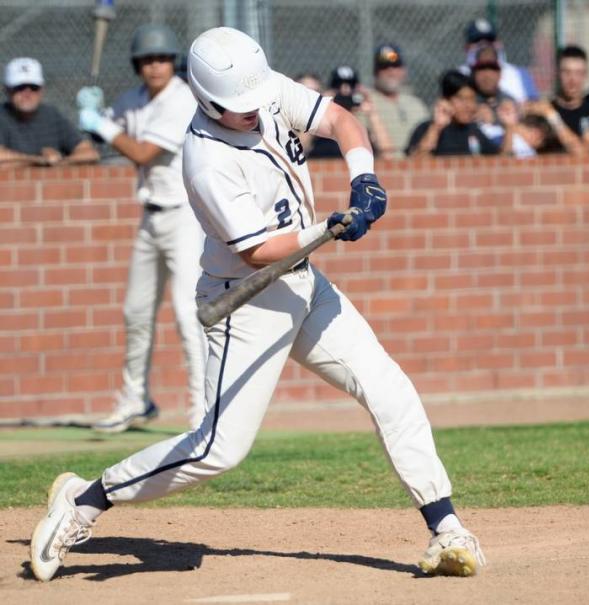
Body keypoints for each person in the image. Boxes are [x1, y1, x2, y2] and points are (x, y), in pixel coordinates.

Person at [29, 27, 485, 583]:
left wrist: (363, 176)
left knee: (389, 388)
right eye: (235, 108)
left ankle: (447, 529)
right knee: (217, 450)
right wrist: (325, 228)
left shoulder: (259, 86)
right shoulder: (205, 159)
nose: (251, 113)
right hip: (245, 302)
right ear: (204, 97)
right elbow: (256, 252)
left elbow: (341, 120)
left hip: (303, 284)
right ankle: (84, 501)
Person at [77, 24, 207, 432]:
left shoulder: (182, 98)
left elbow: (143, 153)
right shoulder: (133, 99)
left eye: (163, 58)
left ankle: (203, 409)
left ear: (173, 62)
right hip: (150, 216)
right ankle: (135, 399)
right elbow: (96, 140)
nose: (156, 66)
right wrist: (90, 117)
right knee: (135, 311)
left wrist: (103, 126)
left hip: (185, 216)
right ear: (138, 64)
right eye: (149, 60)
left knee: (189, 314)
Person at [0, 57, 99, 167]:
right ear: (7, 90)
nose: (27, 93)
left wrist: (60, 162)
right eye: (19, 87)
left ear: (42, 89)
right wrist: (39, 160)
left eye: (34, 87)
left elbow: (90, 154)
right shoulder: (2, 115)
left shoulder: (51, 115)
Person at [405, 70, 500, 157]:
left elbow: (501, 162)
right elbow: (415, 165)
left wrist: (509, 128)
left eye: (472, 99)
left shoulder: (473, 130)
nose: (469, 106)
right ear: (445, 100)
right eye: (462, 99)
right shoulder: (425, 129)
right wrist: (436, 127)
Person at [363, 44, 429, 159]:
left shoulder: (416, 104)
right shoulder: (366, 102)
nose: (391, 72)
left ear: (404, 70)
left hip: (417, 167)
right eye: (385, 67)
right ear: (375, 72)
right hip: (383, 169)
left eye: (396, 66)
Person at [462, 17, 538, 103]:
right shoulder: (459, 75)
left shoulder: (519, 73)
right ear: (467, 47)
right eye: (477, 41)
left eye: (489, 40)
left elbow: (534, 103)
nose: (484, 45)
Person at [550, 45, 589, 151]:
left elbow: (579, 151)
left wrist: (552, 117)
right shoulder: (545, 111)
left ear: (586, 75)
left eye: (578, 73)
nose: (572, 80)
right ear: (558, 74)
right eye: (567, 72)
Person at [471, 44, 517, 147]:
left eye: (492, 68)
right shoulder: (466, 99)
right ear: (474, 72)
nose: (487, 75)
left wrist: (495, 119)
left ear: (500, 73)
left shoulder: (509, 100)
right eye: (481, 68)